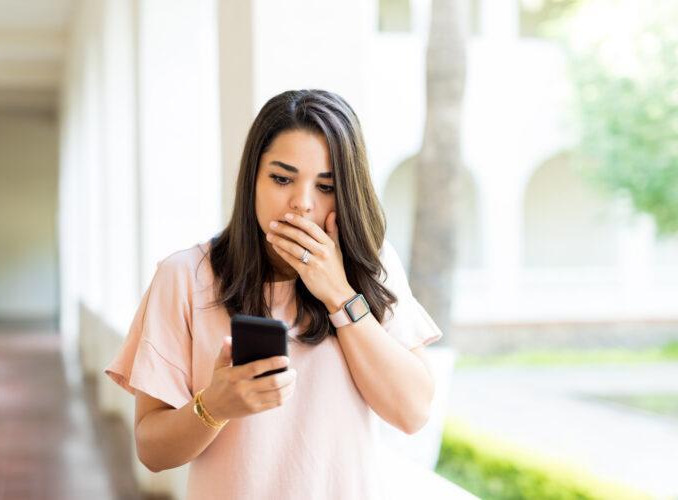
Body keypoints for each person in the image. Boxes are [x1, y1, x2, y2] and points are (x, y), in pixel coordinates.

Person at [104, 89, 443, 499]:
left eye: (326, 186)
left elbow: (412, 412)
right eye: (282, 178)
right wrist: (214, 406)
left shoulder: (372, 266)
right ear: (251, 179)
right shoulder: (185, 276)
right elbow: (152, 450)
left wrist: (338, 293)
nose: (301, 203)